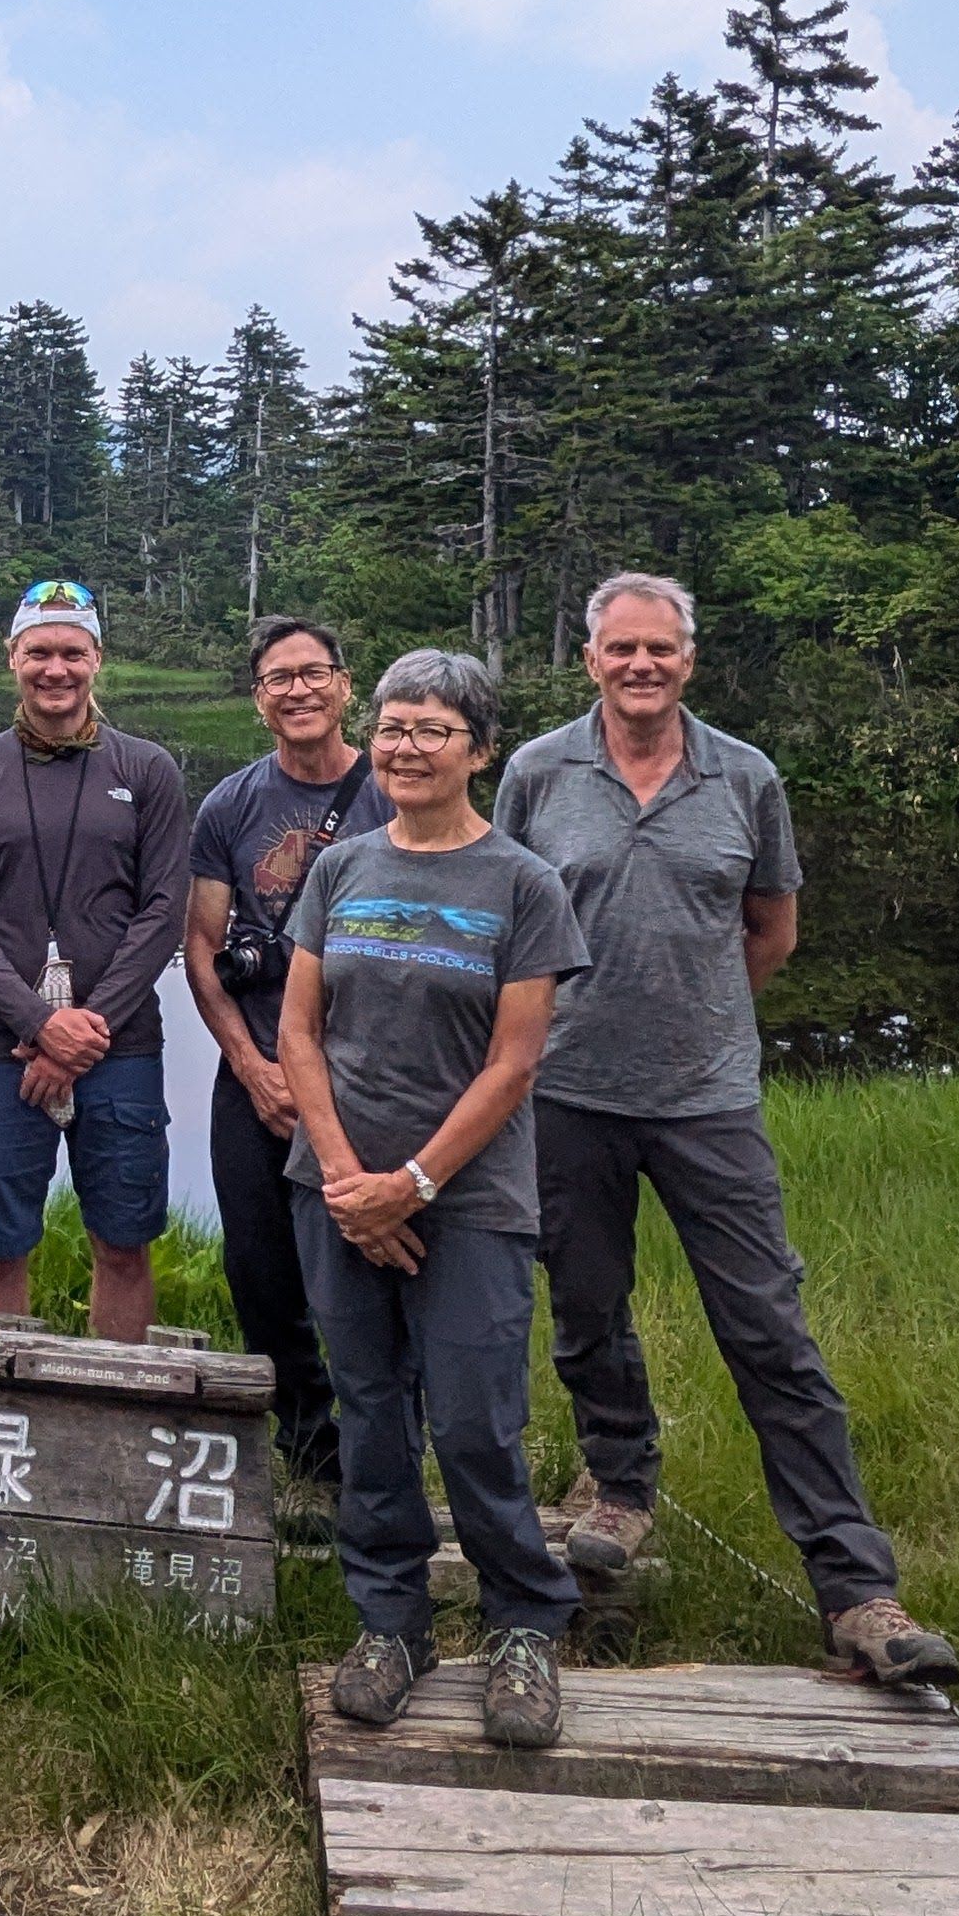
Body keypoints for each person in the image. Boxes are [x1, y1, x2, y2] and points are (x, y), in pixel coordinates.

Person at [494, 572, 959, 1690]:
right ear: (591, 657)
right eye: (621, 649)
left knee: (769, 1332)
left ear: (687, 660)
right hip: (567, 1091)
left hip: (708, 1098)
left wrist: (695, 1012)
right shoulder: (535, 773)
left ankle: (855, 1590)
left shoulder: (744, 776)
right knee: (588, 1309)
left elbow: (771, 929)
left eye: (660, 649)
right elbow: (501, 912)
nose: (640, 665)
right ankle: (619, 1488)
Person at [276, 647, 589, 1748]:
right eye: (394, 728)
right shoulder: (340, 867)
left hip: (470, 1201)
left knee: (472, 1418)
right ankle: (392, 1622)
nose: (407, 749)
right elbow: (299, 1032)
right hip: (338, 1190)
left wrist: (412, 1184)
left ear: (479, 750)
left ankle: (520, 1624)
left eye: (433, 731)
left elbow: (513, 1065)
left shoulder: (522, 884)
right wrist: (345, 1177)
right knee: (368, 1413)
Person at [0, 579, 191, 1341]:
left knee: (125, 1241)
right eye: (38, 652)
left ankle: (113, 1430)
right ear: (11, 658)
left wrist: (84, 1032)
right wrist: (42, 1024)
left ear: (97, 658)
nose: (55, 669)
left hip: (122, 1046)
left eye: (72, 652)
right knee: (0, 1241)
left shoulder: (148, 771)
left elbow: (163, 911)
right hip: (1, 1046)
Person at [181, 614, 363, 1534]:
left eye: (312, 672)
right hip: (255, 1075)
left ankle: (380, 1456)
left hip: (365, 1081)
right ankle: (306, 1454)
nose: (296, 690)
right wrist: (251, 1068)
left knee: (369, 1268)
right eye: (276, 679)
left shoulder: (393, 790)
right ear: (258, 700)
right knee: (261, 1272)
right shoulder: (228, 807)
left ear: (343, 684)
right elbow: (203, 951)